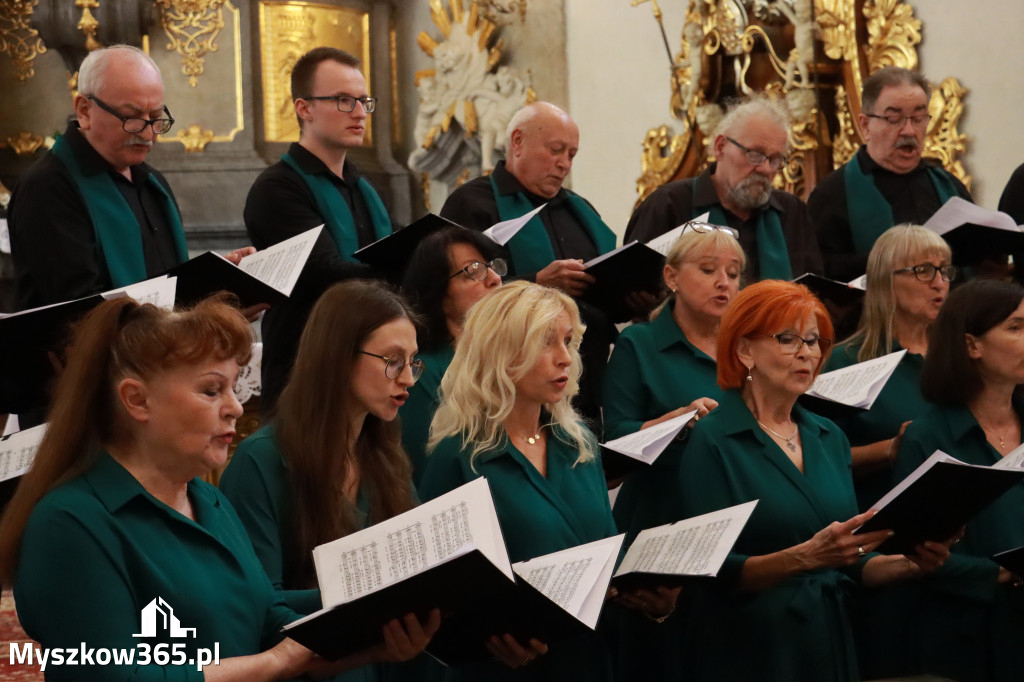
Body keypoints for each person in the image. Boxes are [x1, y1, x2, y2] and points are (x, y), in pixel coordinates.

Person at [0, 296, 437, 680]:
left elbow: (269, 622)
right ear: (136, 400)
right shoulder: (71, 522)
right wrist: (276, 663)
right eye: (212, 390)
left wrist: (370, 637)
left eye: (234, 387)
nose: (235, 407)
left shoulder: (206, 498)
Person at [675, 280, 951, 682]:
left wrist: (909, 565)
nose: (807, 352)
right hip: (749, 644)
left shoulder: (828, 435)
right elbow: (709, 572)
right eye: (787, 339)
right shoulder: (713, 438)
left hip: (829, 634)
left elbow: (852, 561)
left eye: (814, 340)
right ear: (744, 350)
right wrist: (806, 557)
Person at [418, 281, 674, 681]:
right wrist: (491, 640)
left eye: (568, 341)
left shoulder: (578, 443)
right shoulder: (459, 455)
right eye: (545, 342)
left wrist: (650, 598)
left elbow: (601, 553)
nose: (565, 358)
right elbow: (438, 594)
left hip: (587, 661)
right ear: (499, 351)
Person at [220, 281, 436, 682]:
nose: (408, 378)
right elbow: (256, 603)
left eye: (412, 362)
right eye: (392, 360)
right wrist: (373, 597)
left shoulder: (386, 457)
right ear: (338, 357)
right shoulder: (262, 460)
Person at [600, 222, 742, 681]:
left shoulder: (745, 347)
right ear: (672, 277)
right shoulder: (638, 344)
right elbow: (618, 440)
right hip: (661, 515)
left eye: (734, 273)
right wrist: (677, 420)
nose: (725, 282)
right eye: (708, 269)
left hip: (731, 513)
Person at [7, 45, 251, 311]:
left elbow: (170, 285)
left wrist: (219, 288)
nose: (148, 134)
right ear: (85, 110)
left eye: (156, 118)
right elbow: (80, 312)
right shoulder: (48, 189)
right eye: (132, 117)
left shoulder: (151, 182)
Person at [439, 101, 618, 424]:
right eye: (555, 150)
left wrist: (631, 295)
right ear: (517, 142)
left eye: (571, 154)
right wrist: (537, 283)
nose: (564, 164)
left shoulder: (582, 211)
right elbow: (456, 292)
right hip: (511, 380)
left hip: (586, 373)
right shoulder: (472, 204)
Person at [244, 47, 394, 416]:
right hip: (307, 375)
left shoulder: (365, 188)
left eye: (363, 101)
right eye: (344, 100)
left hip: (372, 365)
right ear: (304, 108)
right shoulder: (277, 188)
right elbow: (324, 273)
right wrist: (413, 261)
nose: (359, 112)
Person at [892, 279, 1024, 682]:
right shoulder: (929, 437)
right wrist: (1001, 574)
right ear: (971, 346)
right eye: (1016, 327)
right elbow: (917, 552)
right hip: (964, 638)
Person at [824, 224, 953, 510]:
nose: (939, 282)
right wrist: (890, 448)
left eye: (944, 270)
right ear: (885, 281)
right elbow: (814, 458)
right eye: (923, 270)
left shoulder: (959, 358)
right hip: (879, 524)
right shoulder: (843, 362)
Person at [624, 96, 822, 282]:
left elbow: (812, 293)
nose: (765, 168)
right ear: (720, 147)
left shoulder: (791, 212)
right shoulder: (670, 203)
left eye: (775, 159)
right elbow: (630, 286)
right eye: (755, 154)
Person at [808, 66, 971, 282]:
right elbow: (820, 272)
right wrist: (889, 262)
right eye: (894, 119)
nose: (909, 130)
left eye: (919, 118)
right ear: (865, 126)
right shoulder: (833, 194)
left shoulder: (948, 186)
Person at [398, 226, 503, 488]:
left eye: (491, 266)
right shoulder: (421, 374)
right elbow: (428, 473)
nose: (494, 279)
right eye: (474, 271)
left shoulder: (510, 358)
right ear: (439, 295)